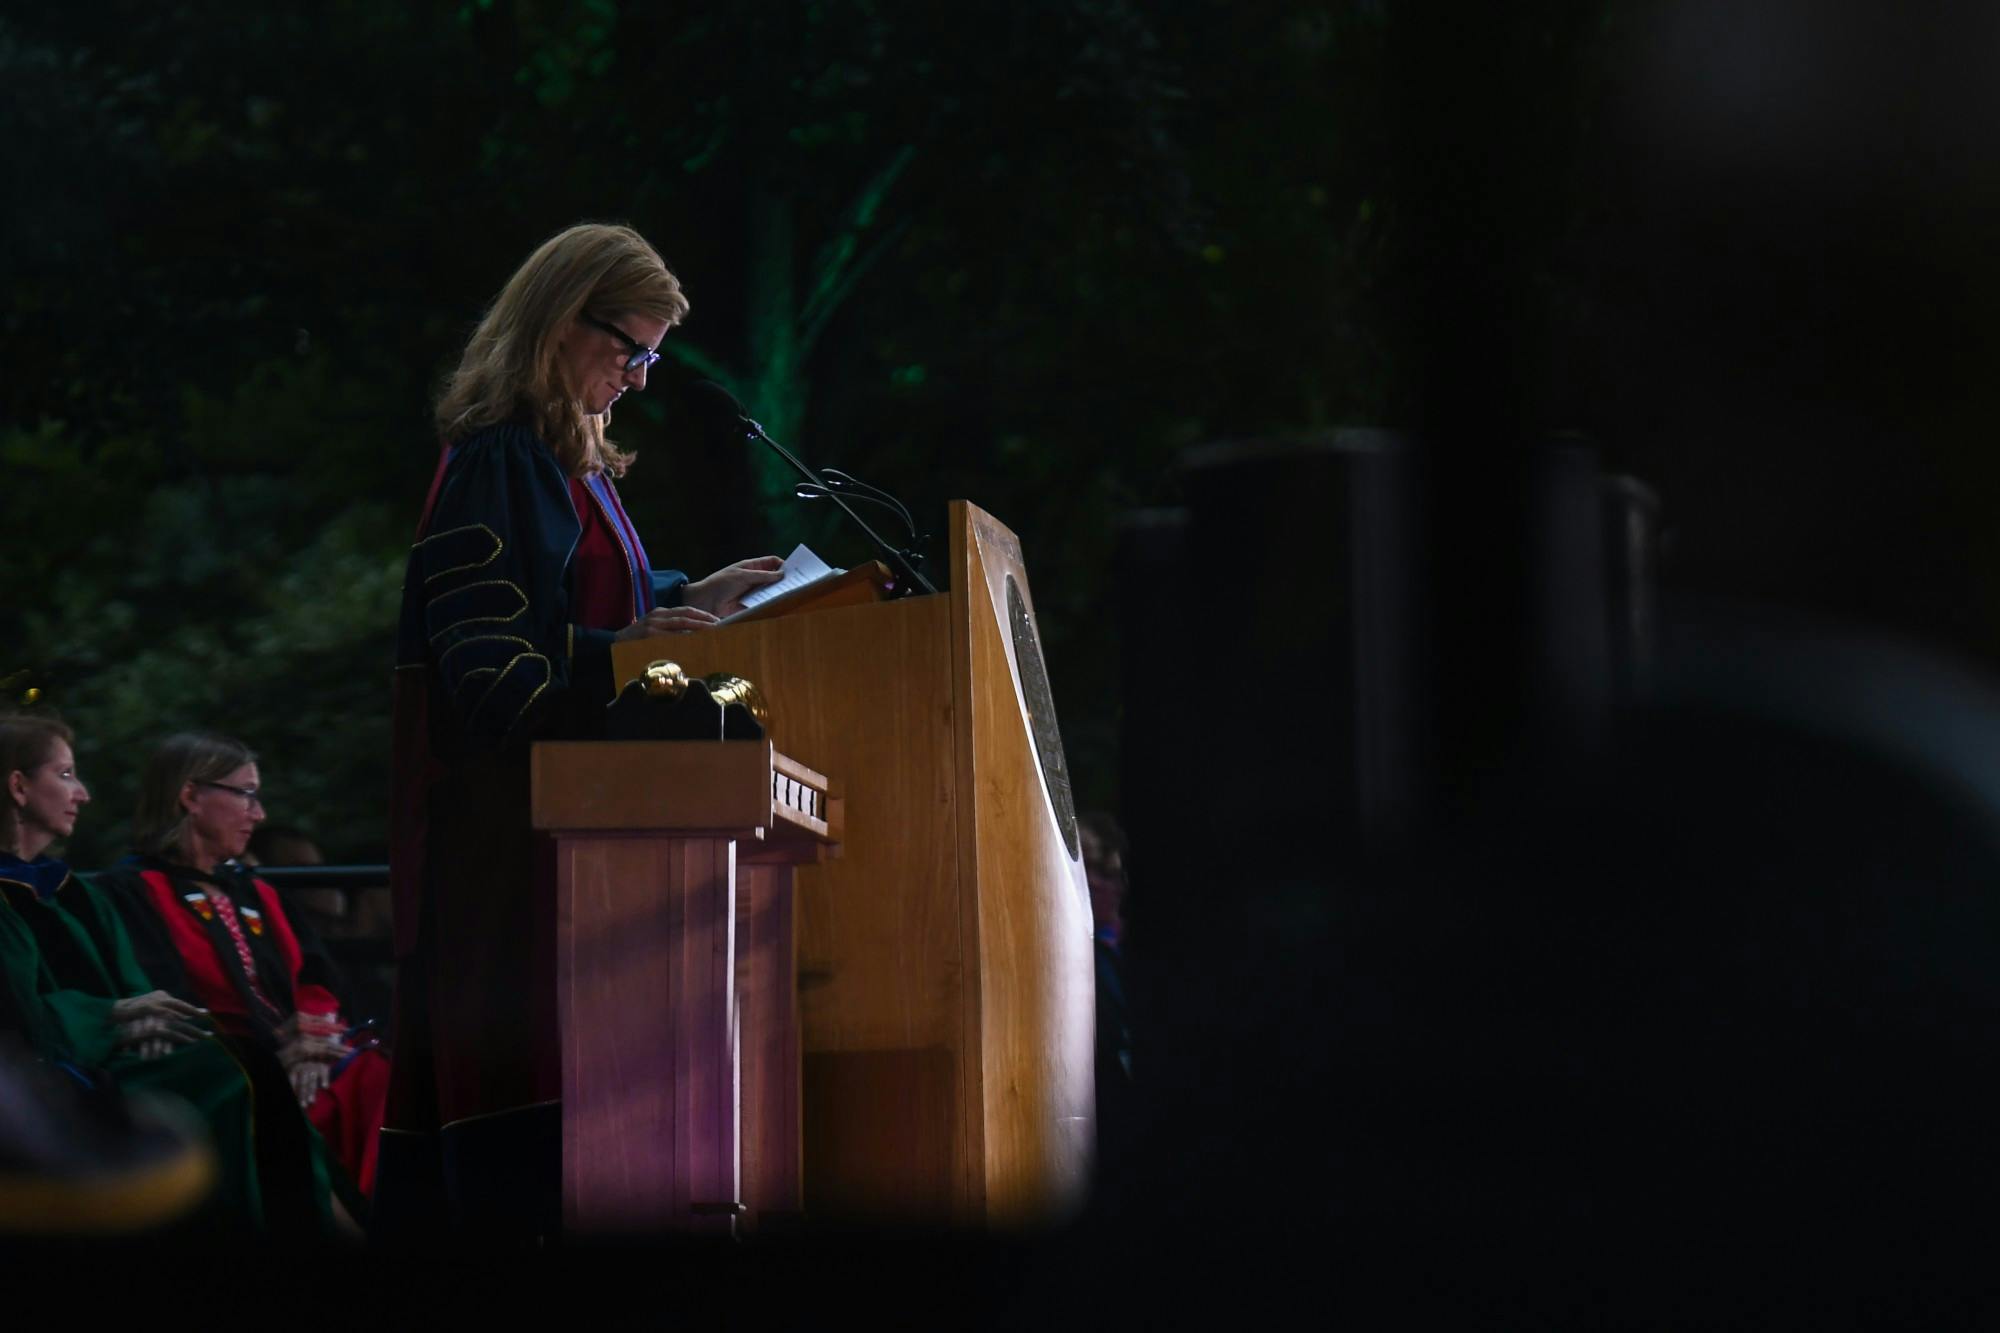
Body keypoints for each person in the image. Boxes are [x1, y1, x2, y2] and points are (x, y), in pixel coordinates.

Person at [381, 222, 781, 1236]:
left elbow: (568, 608)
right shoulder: (499, 458)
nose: (640, 378)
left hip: (575, 848)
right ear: (561, 324)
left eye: (651, 355)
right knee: (526, 1173)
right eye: (629, 349)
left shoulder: (563, 463)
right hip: (516, 860)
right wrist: (640, 646)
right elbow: (492, 672)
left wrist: (693, 594)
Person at [0, 712, 295, 1229]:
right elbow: (17, 1021)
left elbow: (137, 991)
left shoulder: (75, 892)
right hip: (56, 1075)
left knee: (244, 1063)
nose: (84, 793)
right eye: (66, 774)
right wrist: (112, 1017)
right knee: (234, 1072)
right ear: (19, 786)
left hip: (110, 1054)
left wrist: (148, 1023)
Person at [95, 731, 387, 1203]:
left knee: (389, 1077)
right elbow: (158, 996)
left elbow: (315, 978)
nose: (259, 814)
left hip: (304, 1063)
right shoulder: (128, 894)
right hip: (226, 1069)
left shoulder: (258, 893)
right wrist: (271, 1056)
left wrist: (313, 1034)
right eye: (246, 794)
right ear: (191, 795)